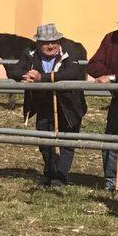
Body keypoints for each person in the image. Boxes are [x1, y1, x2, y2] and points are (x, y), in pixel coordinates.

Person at [10, 24, 87, 187]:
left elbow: (74, 73)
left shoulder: (71, 51)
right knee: (45, 141)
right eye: (46, 42)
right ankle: (49, 173)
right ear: (38, 43)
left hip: (69, 104)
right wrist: (26, 75)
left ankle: (60, 177)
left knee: (67, 141)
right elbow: (14, 70)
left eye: (54, 41)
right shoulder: (29, 53)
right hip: (43, 103)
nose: (51, 46)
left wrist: (42, 78)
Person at [87, 7, 118, 193]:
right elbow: (94, 63)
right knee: (111, 139)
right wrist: (106, 76)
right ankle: (111, 181)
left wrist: (115, 77)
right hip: (117, 98)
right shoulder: (110, 39)